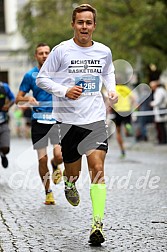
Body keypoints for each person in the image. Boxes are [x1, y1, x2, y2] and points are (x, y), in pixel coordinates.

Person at [36, 4, 118, 245]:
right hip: (68, 122)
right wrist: (64, 90)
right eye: (80, 22)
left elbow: (108, 72)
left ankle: (97, 224)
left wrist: (111, 90)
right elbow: (42, 78)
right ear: (73, 24)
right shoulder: (61, 51)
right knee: (73, 171)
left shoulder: (104, 51)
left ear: (94, 25)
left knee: (98, 168)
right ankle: (70, 183)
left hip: (94, 120)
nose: (84, 27)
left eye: (88, 23)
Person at [15, 43, 63, 205]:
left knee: (59, 155)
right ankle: (48, 192)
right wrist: (28, 98)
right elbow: (18, 98)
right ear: (36, 56)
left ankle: (55, 165)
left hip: (56, 120)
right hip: (38, 121)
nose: (44, 55)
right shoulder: (30, 75)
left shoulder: (58, 73)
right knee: (42, 160)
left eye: (47, 53)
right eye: (41, 53)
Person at [111, 83, 136, 158]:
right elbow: (133, 99)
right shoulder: (126, 88)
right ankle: (127, 126)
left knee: (118, 132)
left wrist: (113, 107)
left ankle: (122, 151)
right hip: (127, 110)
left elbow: (110, 101)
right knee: (127, 124)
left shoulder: (114, 89)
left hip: (118, 111)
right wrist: (131, 106)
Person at [0, 81, 15, 168]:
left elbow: (13, 98)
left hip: (3, 121)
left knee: (5, 148)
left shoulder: (4, 87)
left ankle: (3, 154)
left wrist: (8, 106)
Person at [149, 80, 167, 144]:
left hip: (160, 110)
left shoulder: (159, 91)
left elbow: (158, 101)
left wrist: (152, 103)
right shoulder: (160, 91)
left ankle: (162, 140)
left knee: (160, 127)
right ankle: (162, 139)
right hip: (159, 110)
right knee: (160, 126)